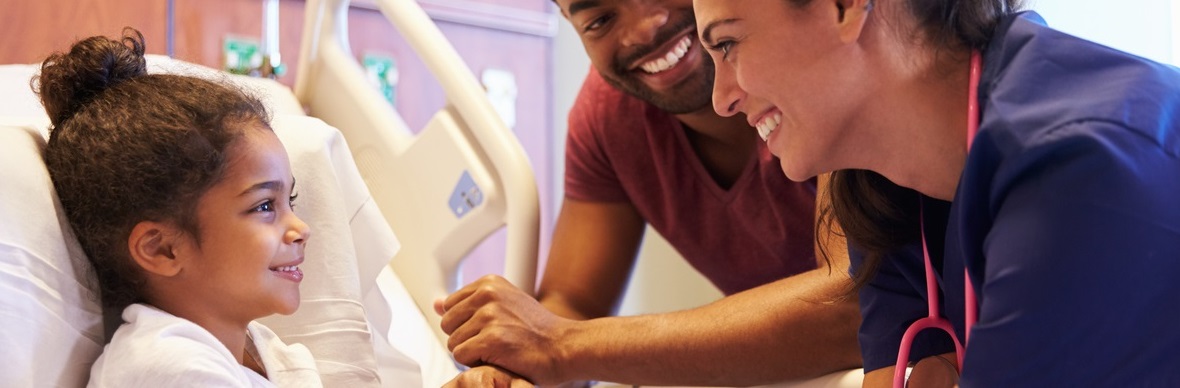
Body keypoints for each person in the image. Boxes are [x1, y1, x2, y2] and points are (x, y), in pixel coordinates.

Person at [695, 0, 1180, 385]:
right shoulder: (890, 179)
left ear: (844, 6)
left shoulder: (1081, 173)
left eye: (728, 44)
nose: (721, 99)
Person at [438, 0, 862, 386]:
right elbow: (572, 303)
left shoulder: (818, 46)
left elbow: (854, 302)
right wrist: (515, 368)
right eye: (600, 19)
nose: (644, 29)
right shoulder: (608, 117)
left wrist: (561, 346)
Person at [38, 29, 321, 387]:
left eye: (288, 201)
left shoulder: (260, 350)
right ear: (163, 249)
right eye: (265, 206)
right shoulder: (169, 367)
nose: (301, 228)